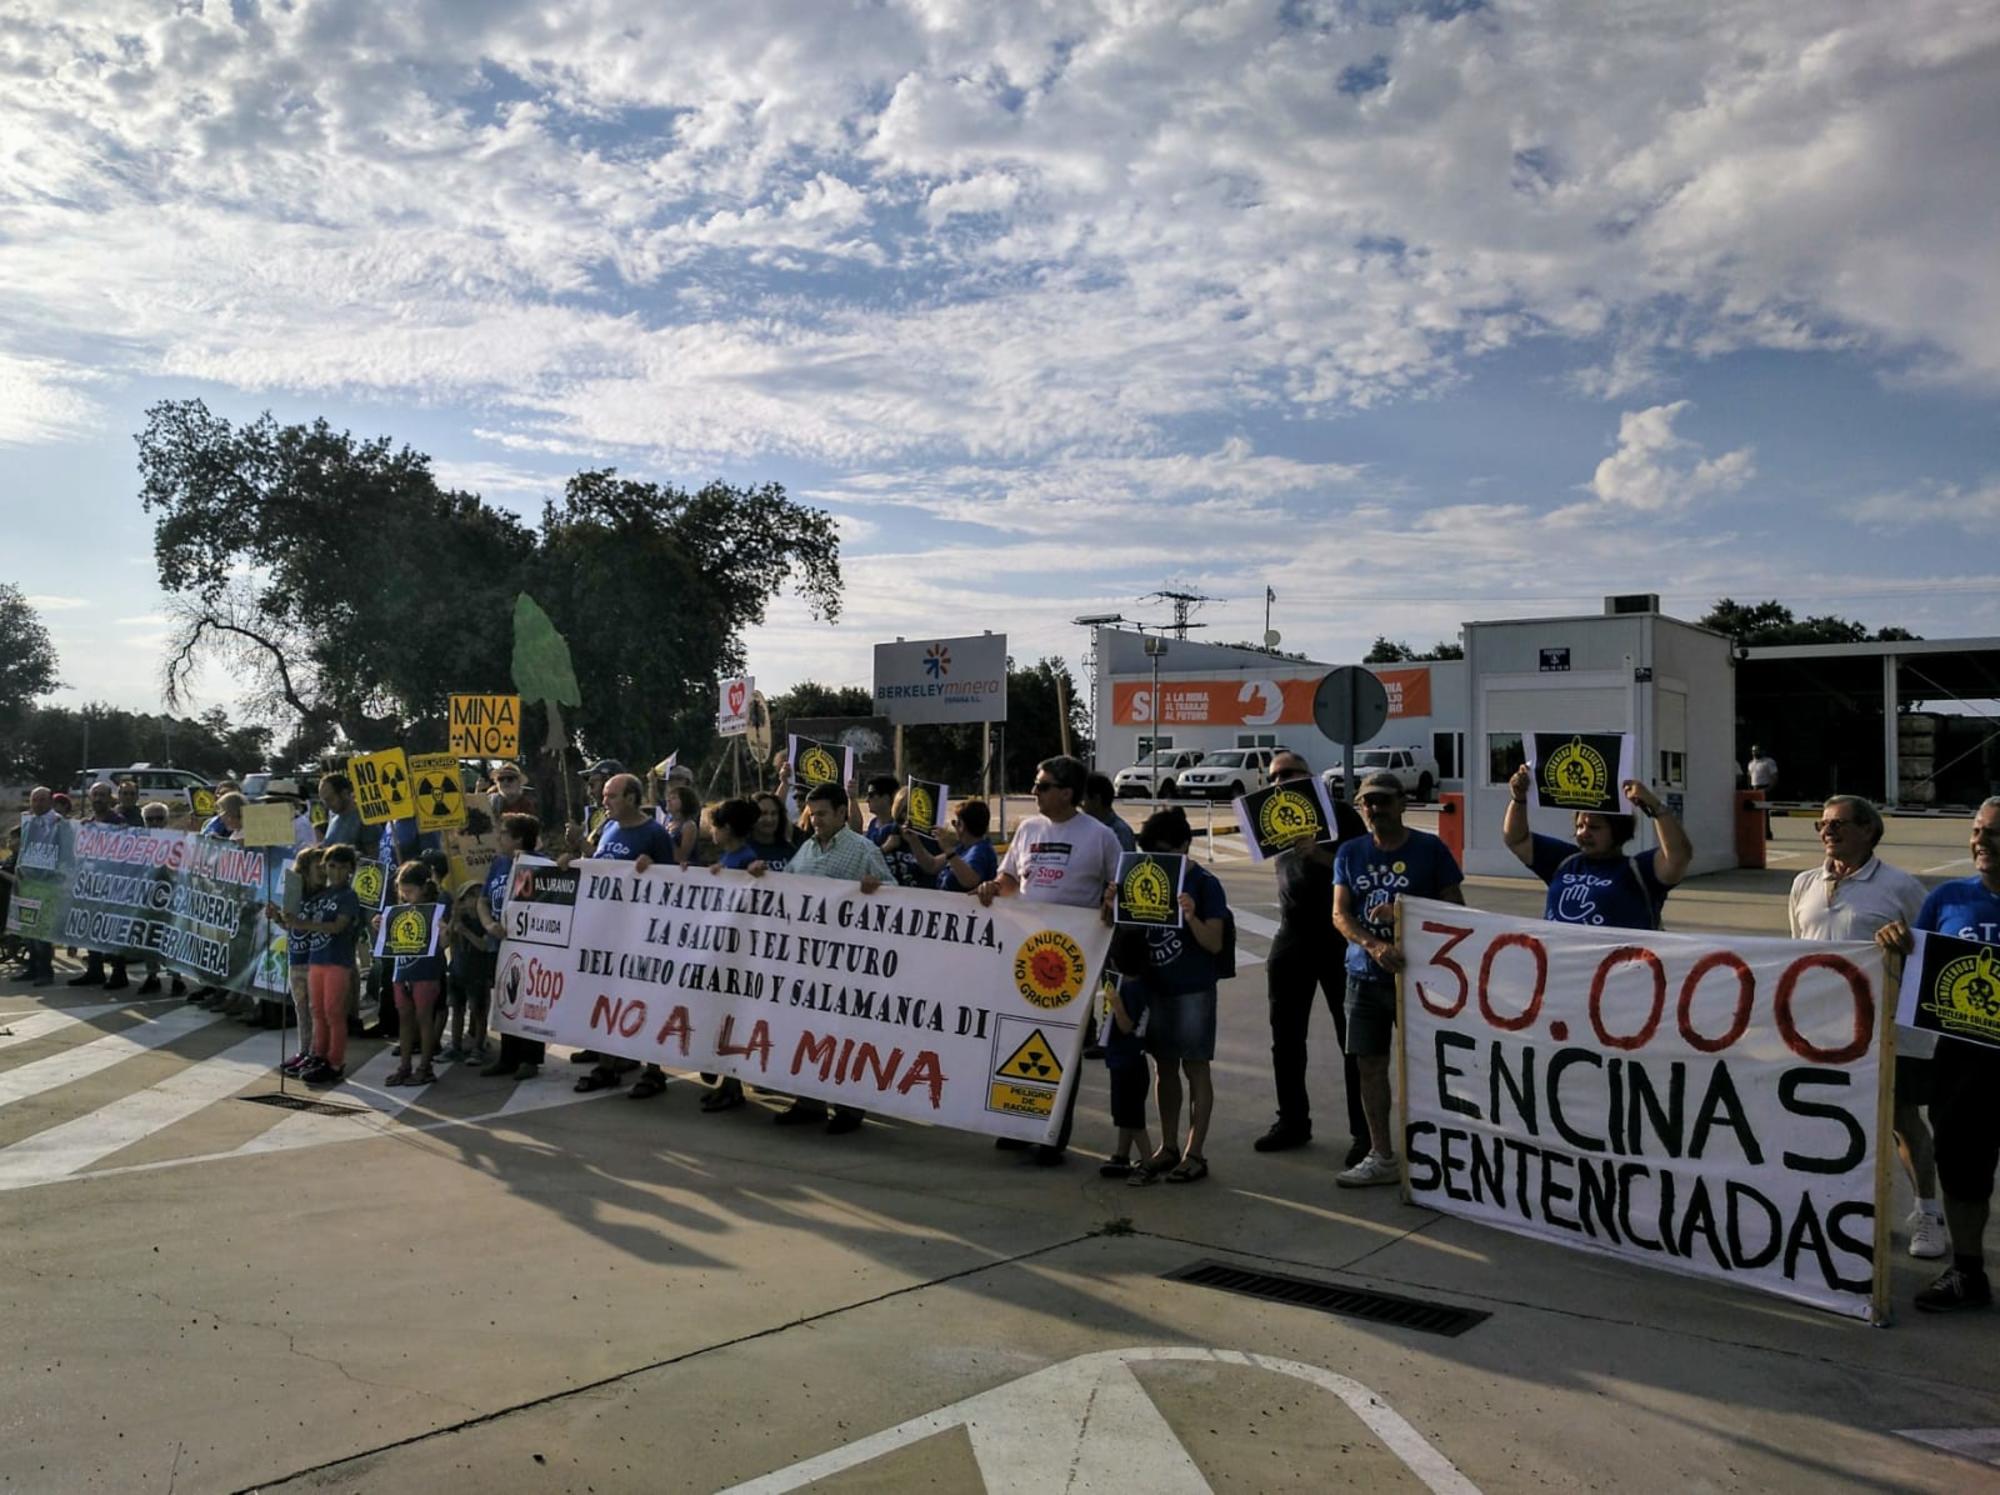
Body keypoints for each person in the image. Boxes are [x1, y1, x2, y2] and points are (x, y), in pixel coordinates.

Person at [1789, 796, 1940, 1260]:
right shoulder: (1803, 884)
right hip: (1825, 1033)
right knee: (1830, 1120)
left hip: (1888, 1029)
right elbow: (1796, 949)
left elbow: (1929, 951)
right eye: (1823, 824)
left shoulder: (1900, 887)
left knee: (1901, 1123)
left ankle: (1927, 1213)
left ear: (1869, 831)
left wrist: (1903, 944)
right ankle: (1850, 1210)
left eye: (1839, 824)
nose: (1827, 832)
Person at [1876, 797, 2000, 1312]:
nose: (1980, 841)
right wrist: (1897, 943)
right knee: (1963, 1169)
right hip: (1963, 1060)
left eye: (1993, 832)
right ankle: (1968, 1272)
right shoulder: (1948, 897)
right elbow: (1920, 958)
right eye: (1976, 831)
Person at [977, 754, 1124, 1164]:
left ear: (1067, 792)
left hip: (1071, 959)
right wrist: (993, 887)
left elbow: (1119, 890)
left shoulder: (1100, 837)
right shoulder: (1027, 829)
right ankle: (1017, 1122)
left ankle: (1051, 1132)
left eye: (1042, 786)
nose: (1034, 793)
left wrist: (1113, 901)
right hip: (1024, 952)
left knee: (1062, 1045)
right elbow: (1009, 881)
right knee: (1017, 1036)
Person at [1331, 769, 1465, 1188]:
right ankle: (1382, 1155)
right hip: (1364, 977)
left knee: (1428, 1068)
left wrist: (1404, 911)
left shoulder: (1431, 850)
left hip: (1422, 980)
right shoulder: (1350, 853)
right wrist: (1373, 945)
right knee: (1369, 1067)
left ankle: (1436, 1155)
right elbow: (1340, 914)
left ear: (1403, 804)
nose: (1375, 809)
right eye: (1368, 802)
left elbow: (1456, 911)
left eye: (1384, 801)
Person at [744, 780, 889, 1133]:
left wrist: (877, 889)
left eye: (824, 814)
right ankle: (808, 1101)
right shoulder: (805, 849)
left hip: (847, 961)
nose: (817, 820)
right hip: (807, 959)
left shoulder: (863, 850)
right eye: (813, 813)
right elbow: (789, 891)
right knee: (807, 1030)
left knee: (844, 1033)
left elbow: (896, 900)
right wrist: (763, 877)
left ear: (843, 812)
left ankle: (849, 1108)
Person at [1255, 750, 1370, 1162]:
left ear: (1312, 776)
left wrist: (1321, 855)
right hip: (1292, 934)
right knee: (1285, 1037)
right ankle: (1292, 1120)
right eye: (1272, 777)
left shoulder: (1340, 814)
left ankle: (1365, 1133)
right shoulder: (1274, 816)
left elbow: (1366, 870)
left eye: (1289, 774)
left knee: (1353, 1040)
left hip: (1340, 935)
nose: (1279, 783)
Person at [1119, 808, 1228, 1185]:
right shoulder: (1144, 876)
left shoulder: (1205, 884)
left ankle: (1194, 1152)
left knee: (1195, 1067)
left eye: (1167, 852)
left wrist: (1191, 915)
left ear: (1185, 846)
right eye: (1152, 852)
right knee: (1163, 1067)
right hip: (1155, 987)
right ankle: (1167, 1145)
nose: (1160, 860)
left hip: (1193, 989)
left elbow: (1213, 942)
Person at [572, 772, 677, 1093]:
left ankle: (654, 1071)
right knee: (607, 997)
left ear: (631, 797)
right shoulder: (608, 828)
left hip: (642, 933)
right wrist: (575, 856)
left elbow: (675, 884)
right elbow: (602, 868)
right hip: (607, 930)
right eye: (604, 796)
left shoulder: (654, 833)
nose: (604, 801)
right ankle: (607, 1065)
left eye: (611, 796)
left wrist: (654, 869)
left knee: (645, 1000)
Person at [1500, 764, 1690, 930]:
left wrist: (1655, 807)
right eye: (1580, 826)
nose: (1584, 833)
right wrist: (1518, 798)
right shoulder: (1564, 861)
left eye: (1594, 827)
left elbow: (1678, 855)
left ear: (1618, 831)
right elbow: (1516, 839)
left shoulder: (1639, 871)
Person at [286, 843, 362, 1087]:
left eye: (341, 868)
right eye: (331, 866)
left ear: (350, 869)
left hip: (337, 961)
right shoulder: (323, 895)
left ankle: (335, 1062)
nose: (335, 872)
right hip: (316, 959)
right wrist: (285, 917)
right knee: (316, 1010)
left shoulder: (348, 896)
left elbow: (338, 926)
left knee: (333, 1012)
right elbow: (300, 919)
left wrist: (303, 924)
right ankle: (318, 1055)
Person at [479, 812, 544, 1081]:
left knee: (529, 1000)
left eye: (503, 833)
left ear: (518, 838)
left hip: (530, 946)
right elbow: (482, 899)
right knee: (506, 999)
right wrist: (488, 924)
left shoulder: (540, 864)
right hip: (501, 943)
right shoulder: (499, 863)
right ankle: (508, 1056)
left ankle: (530, 1058)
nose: (498, 837)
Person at [378, 861, 446, 1086]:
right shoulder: (400, 911)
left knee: (424, 1019)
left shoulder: (434, 911)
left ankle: (425, 1067)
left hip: (426, 973)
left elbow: (443, 942)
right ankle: (405, 1066)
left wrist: (445, 932)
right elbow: (388, 942)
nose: (405, 896)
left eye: (410, 891)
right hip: (402, 971)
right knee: (404, 1019)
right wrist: (380, 926)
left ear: (423, 888)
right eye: (402, 891)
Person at [67, 781, 131, 993]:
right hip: (90, 884)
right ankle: (95, 970)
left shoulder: (117, 821)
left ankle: (119, 973)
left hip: (111, 884)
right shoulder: (88, 823)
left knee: (110, 930)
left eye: (102, 795)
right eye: (95, 795)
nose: (98, 799)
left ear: (109, 798)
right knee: (91, 927)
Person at [276, 846, 325, 1071]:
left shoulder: (324, 895)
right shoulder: (295, 893)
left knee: (317, 1010)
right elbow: (289, 925)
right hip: (296, 959)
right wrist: (277, 917)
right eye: (318, 867)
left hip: (315, 959)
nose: (323, 871)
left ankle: (316, 1052)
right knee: (301, 1008)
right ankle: (303, 1050)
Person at [903, 799, 999, 893]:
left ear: (962, 826)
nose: (954, 826)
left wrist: (948, 850)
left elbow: (970, 881)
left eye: (955, 822)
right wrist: (914, 841)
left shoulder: (980, 851)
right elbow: (931, 865)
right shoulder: (962, 848)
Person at [16, 787, 59, 987]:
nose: (38, 803)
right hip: (28, 882)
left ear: (50, 801)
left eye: (42, 800)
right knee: (28, 929)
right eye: (35, 800)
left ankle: (45, 971)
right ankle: (32, 968)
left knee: (41, 931)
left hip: (48, 883)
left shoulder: (59, 822)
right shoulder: (28, 822)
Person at [1084, 773, 1138, 855]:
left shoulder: (1120, 832)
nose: (1080, 804)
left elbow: (1124, 865)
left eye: (1084, 799)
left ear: (1096, 799)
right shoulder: (1085, 827)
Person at [748, 792, 796, 872]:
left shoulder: (790, 850)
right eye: (763, 813)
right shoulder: (739, 850)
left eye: (774, 813)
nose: (769, 819)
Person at [318, 773, 362, 848]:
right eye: (324, 801)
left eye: (330, 799)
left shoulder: (364, 819)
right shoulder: (333, 814)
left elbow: (374, 856)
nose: (327, 805)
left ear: (344, 793)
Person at [1747, 745, 1779, 840]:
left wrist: (1769, 788)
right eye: (1753, 751)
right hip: (1754, 788)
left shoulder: (1768, 762)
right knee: (1753, 813)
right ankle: (1756, 832)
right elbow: (1749, 776)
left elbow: (1774, 776)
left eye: (1757, 750)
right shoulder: (1751, 763)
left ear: (1762, 751)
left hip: (1765, 787)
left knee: (1764, 813)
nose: (1755, 753)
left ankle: (1766, 833)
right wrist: (1750, 790)